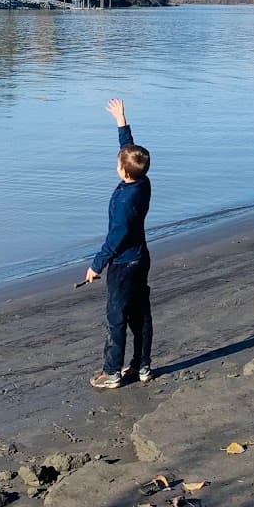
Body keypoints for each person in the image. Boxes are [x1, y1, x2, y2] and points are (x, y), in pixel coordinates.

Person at [84, 97, 153, 389]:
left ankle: (111, 372)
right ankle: (142, 365)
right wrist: (121, 122)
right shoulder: (141, 181)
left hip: (125, 263)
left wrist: (97, 265)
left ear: (124, 172)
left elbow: (116, 236)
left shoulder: (126, 199)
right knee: (140, 314)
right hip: (140, 257)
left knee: (116, 318)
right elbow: (129, 153)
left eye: (118, 162)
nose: (117, 162)